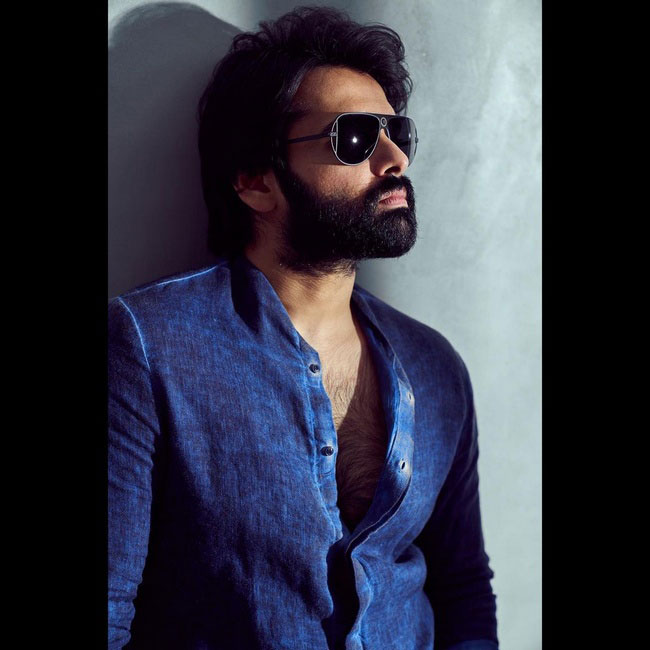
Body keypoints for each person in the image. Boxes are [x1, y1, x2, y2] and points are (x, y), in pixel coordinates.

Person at [108, 6, 498, 650]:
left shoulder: (435, 366)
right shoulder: (149, 347)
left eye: (396, 131)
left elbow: (462, 589)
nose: (395, 158)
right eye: (355, 137)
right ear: (255, 182)